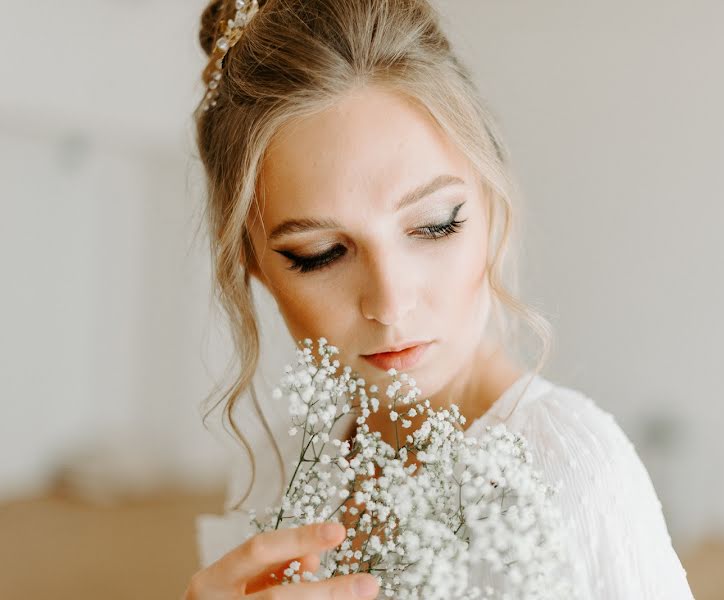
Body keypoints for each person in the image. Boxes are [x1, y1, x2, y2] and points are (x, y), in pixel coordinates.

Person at [185, 1, 697, 598]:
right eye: (322, 253)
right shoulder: (291, 461)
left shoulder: (566, 475)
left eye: (434, 226)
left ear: (488, 198)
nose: (391, 302)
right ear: (253, 263)